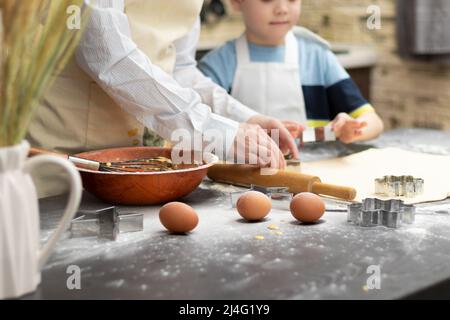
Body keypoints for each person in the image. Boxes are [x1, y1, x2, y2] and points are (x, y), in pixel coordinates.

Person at [27, 0, 299, 197]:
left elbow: (179, 69)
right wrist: (217, 132)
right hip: (64, 169)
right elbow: (106, 55)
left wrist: (244, 118)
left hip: (144, 174)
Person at [198, 0, 384, 144]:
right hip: (242, 181)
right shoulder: (217, 66)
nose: (282, 9)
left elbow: (374, 122)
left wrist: (352, 131)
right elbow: (196, 130)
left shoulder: (318, 57)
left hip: (315, 176)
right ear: (237, 2)